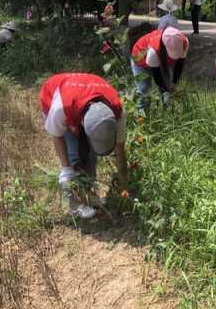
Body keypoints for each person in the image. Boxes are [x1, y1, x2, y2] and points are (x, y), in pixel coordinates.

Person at [39, 73, 129, 219]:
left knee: (90, 156)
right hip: (54, 96)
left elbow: (120, 151)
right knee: (74, 153)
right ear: (82, 125)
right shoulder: (61, 108)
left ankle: (89, 194)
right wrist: (66, 169)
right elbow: (57, 135)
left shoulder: (117, 111)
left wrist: (125, 186)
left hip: (83, 96)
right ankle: (75, 204)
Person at [130, 26, 189, 111]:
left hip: (161, 61)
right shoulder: (153, 51)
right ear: (165, 47)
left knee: (169, 87)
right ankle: (141, 117)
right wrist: (165, 91)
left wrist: (173, 83)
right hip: (140, 61)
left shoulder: (184, 42)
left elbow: (179, 64)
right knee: (144, 89)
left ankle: (167, 111)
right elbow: (157, 75)